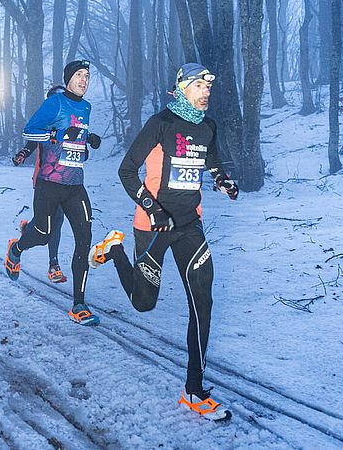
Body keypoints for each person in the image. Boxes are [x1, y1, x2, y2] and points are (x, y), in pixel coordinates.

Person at [89, 63, 239, 420]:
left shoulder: (207, 127)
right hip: (152, 225)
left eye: (209, 87)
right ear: (183, 87)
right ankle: (115, 250)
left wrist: (223, 181)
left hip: (190, 225)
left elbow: (212, 164)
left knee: (203, 303)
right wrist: (153, 210)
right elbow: (126, 170)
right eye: (200, 86)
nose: (206, 92)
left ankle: (194, 391)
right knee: (143, 303)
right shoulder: (161, 123)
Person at [3, 60, 103, 325]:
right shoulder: (54, 103)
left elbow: (76, 144)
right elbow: (29, 131)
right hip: (49, 183)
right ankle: (17, 248)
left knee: (84, 239)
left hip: (75, 185)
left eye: (87, 76)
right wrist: (57, 135)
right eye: (79, 75)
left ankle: (79, 304)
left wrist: (88, 140)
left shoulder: (86, 107)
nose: (83, 80)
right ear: (68, 78)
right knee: (43, 234)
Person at [13, 85, 68, 283]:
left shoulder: (70, 123)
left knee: (55, 221)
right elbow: (31, 143)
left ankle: (52, 263)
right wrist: (22, 154)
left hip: (66, 180)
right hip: (44, 180)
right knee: (51, 221)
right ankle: (51, 261)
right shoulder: (44, 123)